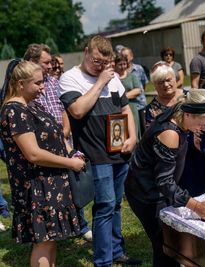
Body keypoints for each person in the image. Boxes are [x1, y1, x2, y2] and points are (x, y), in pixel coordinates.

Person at [59, 35, 140, 267]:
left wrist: (133, 137)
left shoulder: (114, 79)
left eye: (105, 63)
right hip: (95, 154)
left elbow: (125, 109)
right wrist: (100, 82)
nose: (100, 67)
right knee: (104, 206)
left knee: (115, 204)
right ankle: (103, 261)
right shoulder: (70, 78)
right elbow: (77, 111)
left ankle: (116, 251)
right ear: (86, 52)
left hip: (120, 152)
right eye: (96, 61)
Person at [124, 89, 205, 267]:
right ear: (188, 114)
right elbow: (164, 182)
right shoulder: (170, 134)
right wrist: (196, 206)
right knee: (166, 247)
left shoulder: (179, 114)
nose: (204, 128)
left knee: (172, 245)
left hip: (155, 189)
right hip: (146, 193)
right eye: (202, 123)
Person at [0, 60, 85, 266]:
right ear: (20, 84)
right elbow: (33, 154)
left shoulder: (31, 105)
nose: (43, 87)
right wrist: (69, 163)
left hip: (51, 184)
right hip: (37, 187)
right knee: (44, 242)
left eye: (43, 82)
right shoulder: (15, 111)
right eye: (37, 83)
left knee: (50, 239)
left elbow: (55, 134)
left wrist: (71, 151)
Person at [145, 61, 185, 128]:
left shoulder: (189, 97)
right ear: (154, 85)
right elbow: (151, 134)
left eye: (168, 80)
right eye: (161, 82)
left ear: (175, 78)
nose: (166, 85)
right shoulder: (151, 109)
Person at [114, 53, 143, 139]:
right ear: (115, 65)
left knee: (134, 131)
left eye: (124, 64)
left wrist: (123, 96)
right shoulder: (113, 77)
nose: (123, 66)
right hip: (118, 108)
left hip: (132, 107)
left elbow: (138, 90)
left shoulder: (132, 76)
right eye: (120, 64)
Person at [121, 47, 148, 136]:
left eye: (126, 56)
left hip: (140, 104)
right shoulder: (120, 71)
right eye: (122, 56)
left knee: (144, 130)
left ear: (131, 56)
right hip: (127, 106)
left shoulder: (139, 68)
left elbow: (144, 84)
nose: (124, 58)